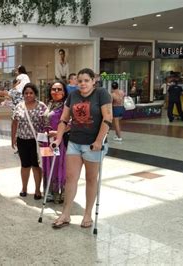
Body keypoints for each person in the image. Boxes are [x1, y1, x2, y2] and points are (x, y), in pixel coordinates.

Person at [51, 68, 112, 229]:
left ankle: (87, 214)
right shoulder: (73, 95)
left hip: (93, 145)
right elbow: (64, 119)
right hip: (75, 142)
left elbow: (108, 118)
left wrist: (99, 141)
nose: (83, 83)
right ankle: (65, 214)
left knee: (91, 179)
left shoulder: (101, 93)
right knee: (71, 178)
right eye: (80, 81)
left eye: (86, 80)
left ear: (93, 81)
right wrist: (58, 139)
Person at [11, 83, 47, 199]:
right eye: (26, 93)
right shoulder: (19, 106)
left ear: (35, 94)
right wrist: (13, 138)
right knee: (25, 165)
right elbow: (14, 122)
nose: (28, 95)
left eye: (31, 93)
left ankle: (37, 190)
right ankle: (24, 188)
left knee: (37, 166)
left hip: (37, 142)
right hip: (22, 140)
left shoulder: (42, 106)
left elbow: (47, 123)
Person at [42, 81, 69, 204]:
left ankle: (60, 192)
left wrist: (58, 133)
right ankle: (50, 192)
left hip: (58, 141)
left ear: (64, 92)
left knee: (58, 164)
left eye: (59, 89)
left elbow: (71, 123)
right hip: (47, 142)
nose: (56, 92)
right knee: (47, 164)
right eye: (54, 89)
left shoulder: (66, 106)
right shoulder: (49, 104)